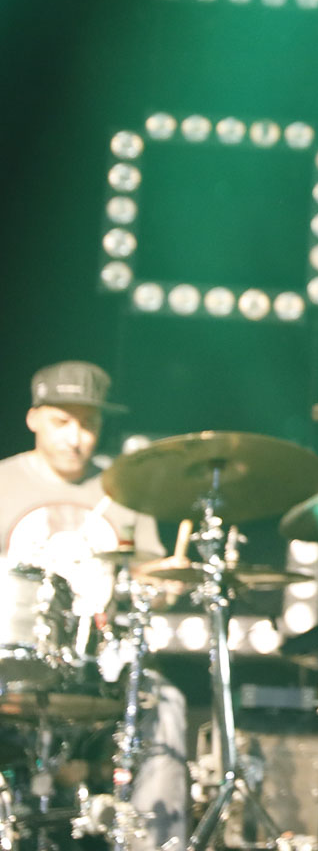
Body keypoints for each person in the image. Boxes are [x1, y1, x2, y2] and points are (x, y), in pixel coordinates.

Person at [0, 361, 187, 850]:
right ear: (33, 418)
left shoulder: (124, 492)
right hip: (10, 657)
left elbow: (149, 580)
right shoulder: (4, 482)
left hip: (98, 662)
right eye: (62, 421)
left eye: (88, 424)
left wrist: (167, 582)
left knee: (166, 703)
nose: (75, 437)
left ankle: (154, 841)